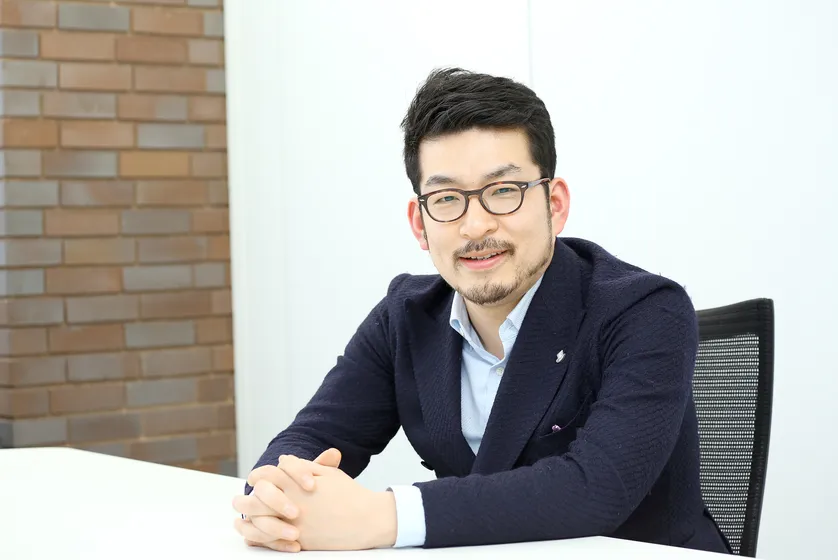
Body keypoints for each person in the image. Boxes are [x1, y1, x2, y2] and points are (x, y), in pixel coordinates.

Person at [232, 67, 731, 555]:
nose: (475, 226)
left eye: (503, 192)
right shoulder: (405, 316)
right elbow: (310, 439)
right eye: (447, 198)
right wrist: (275, 501)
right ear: (420, 223)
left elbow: (596, 487)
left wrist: (380, 516)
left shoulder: (645, 311)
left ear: (555, 204)